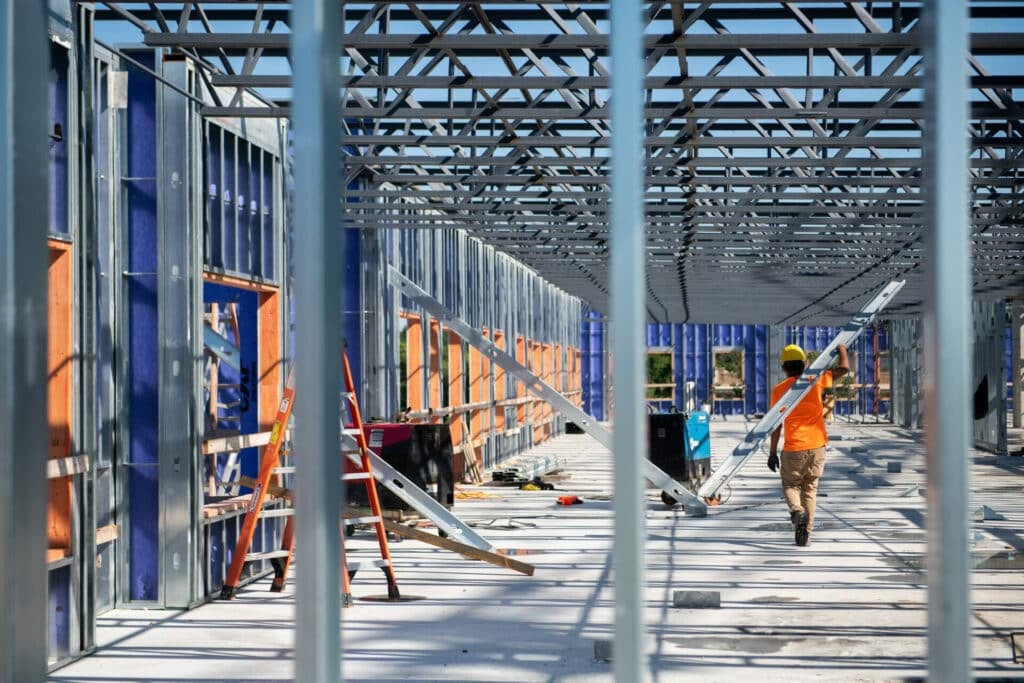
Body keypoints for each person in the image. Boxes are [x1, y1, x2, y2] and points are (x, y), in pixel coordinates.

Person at [767, 343, 849, 547]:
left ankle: (796, 511)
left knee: (790, 485)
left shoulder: (779, 390)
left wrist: (772, 452)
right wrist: (842, 350)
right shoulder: (817, 381)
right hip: (817, 446)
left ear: (784, 367)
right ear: (805, 364)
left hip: (793, 447)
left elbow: (776, 424)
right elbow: (844, 369)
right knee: (810, 490)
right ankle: (806, 534)